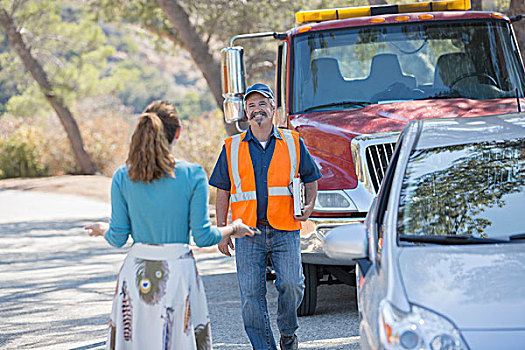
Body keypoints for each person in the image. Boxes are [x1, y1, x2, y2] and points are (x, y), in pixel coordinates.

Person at [85, 100, 254, 350]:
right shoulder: (192, 174)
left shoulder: (123, 176)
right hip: (176, 275)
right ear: (178, 132)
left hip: (136, 276)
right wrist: (233, 228)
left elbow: (118, 238)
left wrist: (103, 230)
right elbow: (203, 236)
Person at [209, 84, 322, 350]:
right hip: (246, 231)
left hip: (285, 229)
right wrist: (222, 230)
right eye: (251, 106)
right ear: (245, 113)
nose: (257, 110)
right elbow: (222, 191)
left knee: (293, 285)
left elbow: (311, 177)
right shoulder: (231, 147)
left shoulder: (293, 142)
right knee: (251, 297)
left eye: (262, 105)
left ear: (273, 109)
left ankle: (288, 332)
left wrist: (310, 204)